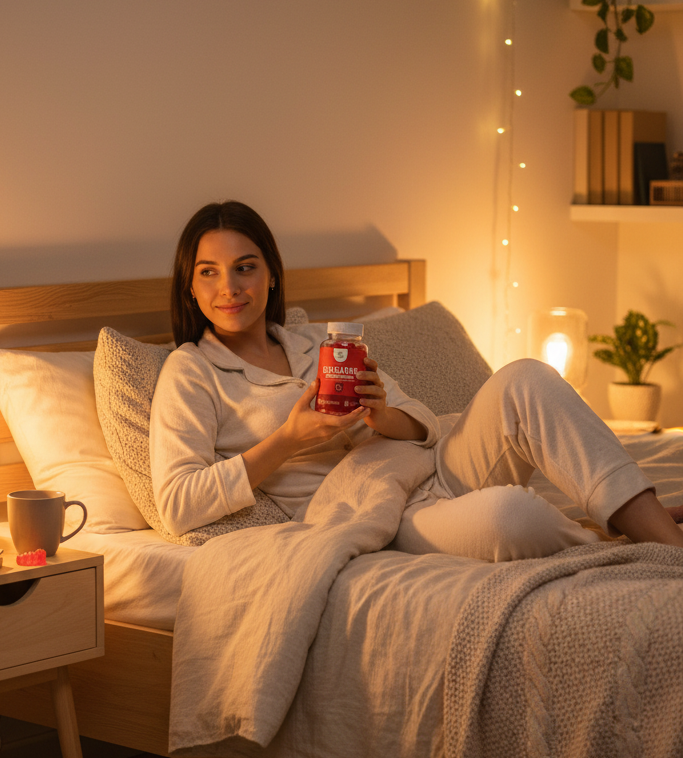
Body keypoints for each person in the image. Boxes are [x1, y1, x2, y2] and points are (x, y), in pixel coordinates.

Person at [150, 201, 683, 560]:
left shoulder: (319, 343)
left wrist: (387, 416)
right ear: (190, 286)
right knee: (511, 514)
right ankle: (615, 534)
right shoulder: (192, 372)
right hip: (375, 514)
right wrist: (288, 440)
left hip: (431, 465)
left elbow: (425, 420)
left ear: (271, 275)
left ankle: (663, 544)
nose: (230, 287)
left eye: (245, 267)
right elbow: (178, 504)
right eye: (209, 272)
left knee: (525, 378)